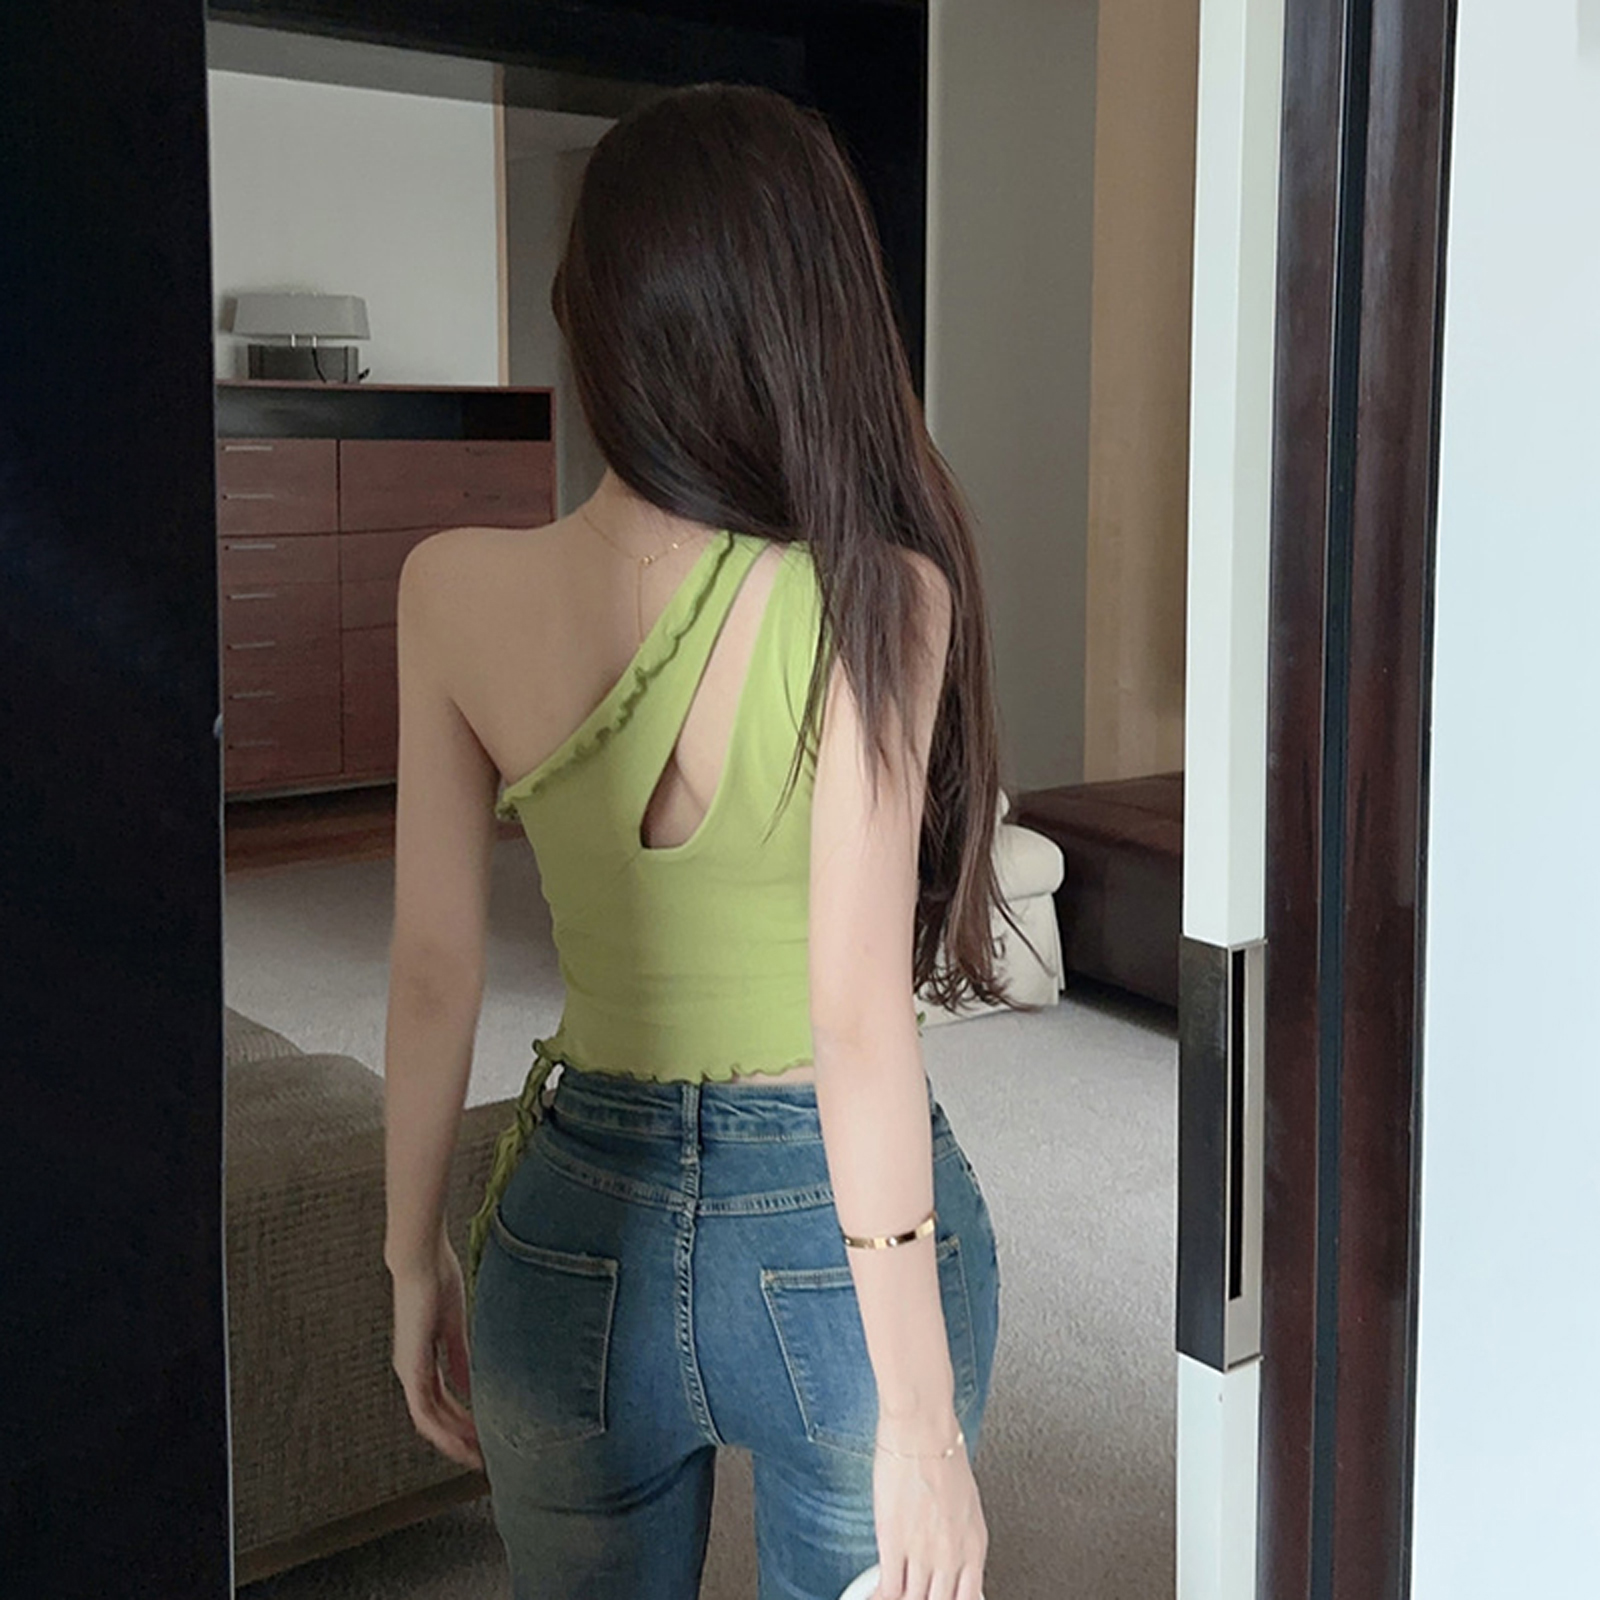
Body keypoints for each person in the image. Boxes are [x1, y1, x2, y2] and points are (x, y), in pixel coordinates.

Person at [381, 82, 1033, 1600]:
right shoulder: (881, 592)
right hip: (834, 1253)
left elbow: (431, 971)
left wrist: (412, 1256)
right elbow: (856, 1020)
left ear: (593, 326)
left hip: (570, 1237)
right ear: (815, 317)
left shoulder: (449, 591)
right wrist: (921, 1428)